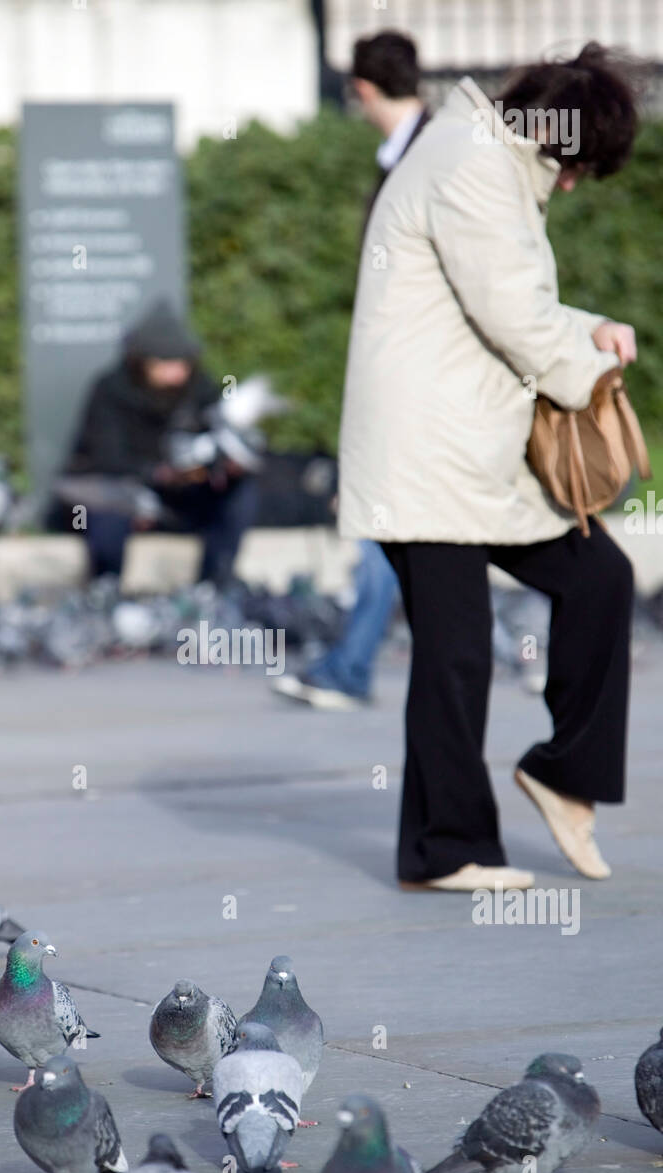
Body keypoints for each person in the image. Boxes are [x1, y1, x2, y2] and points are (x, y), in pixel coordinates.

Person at [338, 44, 640, 890]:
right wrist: (593, 368)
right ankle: (447, 849)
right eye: (579, 166)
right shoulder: (475, 166)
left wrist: (590, 328)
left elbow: (504, 299)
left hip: (464, 453)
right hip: (427, 458)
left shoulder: (480, 154)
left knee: (598, 581)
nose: (575, 184)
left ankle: (561, 772)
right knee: (456, 652)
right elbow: (511, 310)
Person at [273, 30, 428, 711]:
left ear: (361, 89)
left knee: (383, 521)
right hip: (412, 370)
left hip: (416, 375)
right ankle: (353, 664)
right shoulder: (419, 151)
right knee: (407, 533)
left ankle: (351, 667)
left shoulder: (422, 158)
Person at [62, 300, 258, 587]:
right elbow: (105, 457)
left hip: (184, 496)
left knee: (239, 496)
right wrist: (158, 473)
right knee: (107, 510)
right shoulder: (111, 391)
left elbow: (217, 436)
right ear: (142, 361)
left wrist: (221, 467)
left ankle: (216, 585)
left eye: (181, 363)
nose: (175, 372)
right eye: (165, 363)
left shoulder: (200, 389)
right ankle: (106, 590)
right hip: (127, 489)